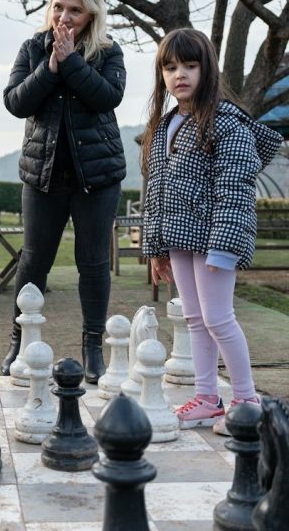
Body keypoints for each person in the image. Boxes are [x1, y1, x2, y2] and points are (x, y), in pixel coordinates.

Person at [142, 27, 282, 433]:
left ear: (207, 69)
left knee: (219, 318)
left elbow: (234, 190)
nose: (179, 74)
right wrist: (156, 249)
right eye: (170, 67)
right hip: (179, 240)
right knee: (194, 318)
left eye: (189, 65)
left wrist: (224, 248)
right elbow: (157, 192)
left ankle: (247, 401)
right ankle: (207, 398)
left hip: (214, 241)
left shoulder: (227, 124)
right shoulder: (165, 125)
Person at [1, 0, 126, 382]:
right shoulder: (32, 48)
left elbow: (107, 97)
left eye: (75, 9)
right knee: (34, 260)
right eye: (58, 7)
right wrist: (51, 66)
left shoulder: (108, 52)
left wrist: (71, 61)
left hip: (97, 178)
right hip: (43, 176)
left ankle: (93, 348)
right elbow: (16, 102)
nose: (64, 16)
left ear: (91, 14)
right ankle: (20, 342)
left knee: (93, 263)